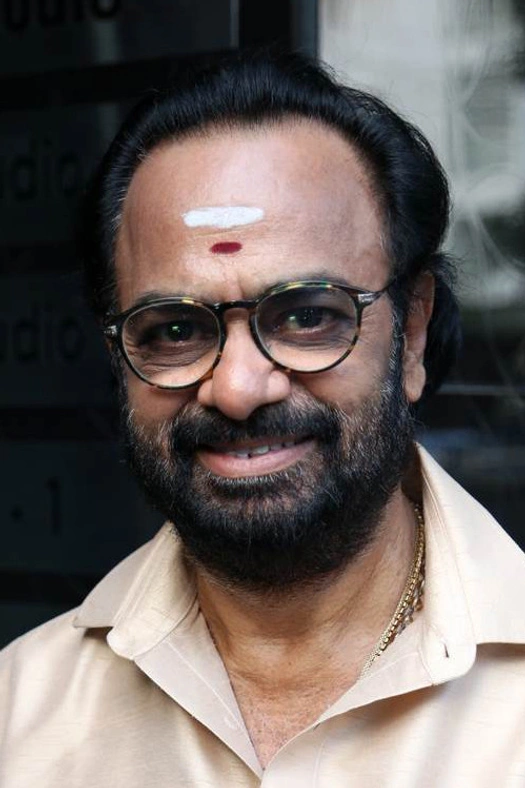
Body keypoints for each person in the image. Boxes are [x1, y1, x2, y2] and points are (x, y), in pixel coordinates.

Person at [1, 50, 525, 788]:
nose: (239, 389)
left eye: (307, 316)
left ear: (410, 334)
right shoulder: (21, 719)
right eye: (175, 330)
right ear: (118, 358)